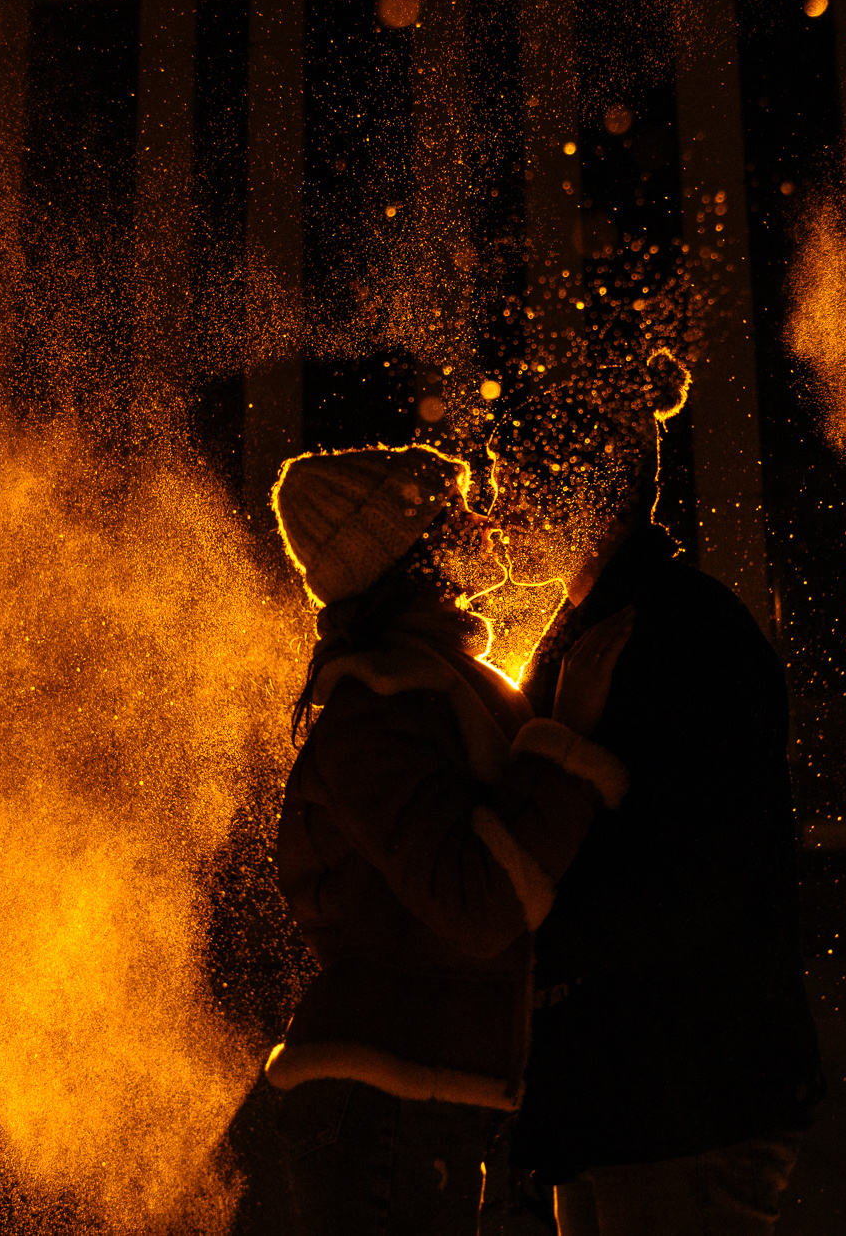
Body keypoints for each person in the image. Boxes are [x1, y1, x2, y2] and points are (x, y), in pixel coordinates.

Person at [485, 355, 824, 1235]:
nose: (493, 514)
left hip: (681, 1089)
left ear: (574, 488)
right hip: (640, 1089)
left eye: (509, 483)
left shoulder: (674, 630)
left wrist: (548, 941)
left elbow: (688, 877)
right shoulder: (611, 630)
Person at [267, 444, 638, 1236]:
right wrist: (565, 743)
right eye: (454, 509)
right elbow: (476, 904)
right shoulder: (380, 707)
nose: (485, 520)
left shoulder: (437, 684)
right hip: (388, 1109)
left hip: (425, 1103)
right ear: (411, 552)